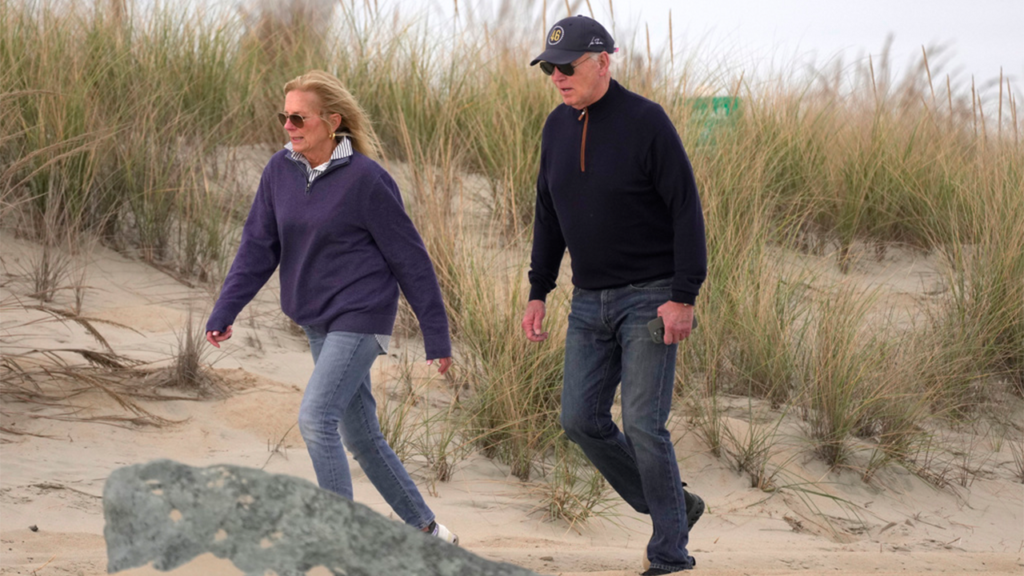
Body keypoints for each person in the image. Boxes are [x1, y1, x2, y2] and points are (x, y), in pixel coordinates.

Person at [205, 70, 458, 545]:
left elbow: (411, 260)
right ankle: (428, 531)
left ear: (332, 121)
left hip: (362, 316)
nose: (289, 125)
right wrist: (226, 308)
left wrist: (436, 334)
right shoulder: (279, 171)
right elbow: (258, 247)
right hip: (316, 321)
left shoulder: (366, 180)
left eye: (299, 117)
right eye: (285, 116)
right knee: (361, 437)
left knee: (316, 417)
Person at [521, 16, 708, 575]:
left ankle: (669, 554)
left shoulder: (646, 121)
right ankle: (677, 507)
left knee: (644, 425)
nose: (557, 76)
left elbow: (685, 208)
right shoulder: (555, 127)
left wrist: (684, 295)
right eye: (550, 67)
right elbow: (547, 215)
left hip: (650, 300)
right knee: (579, 419)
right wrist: (538, 291)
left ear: (604, 60)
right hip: (587, 302)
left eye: (569, 65)